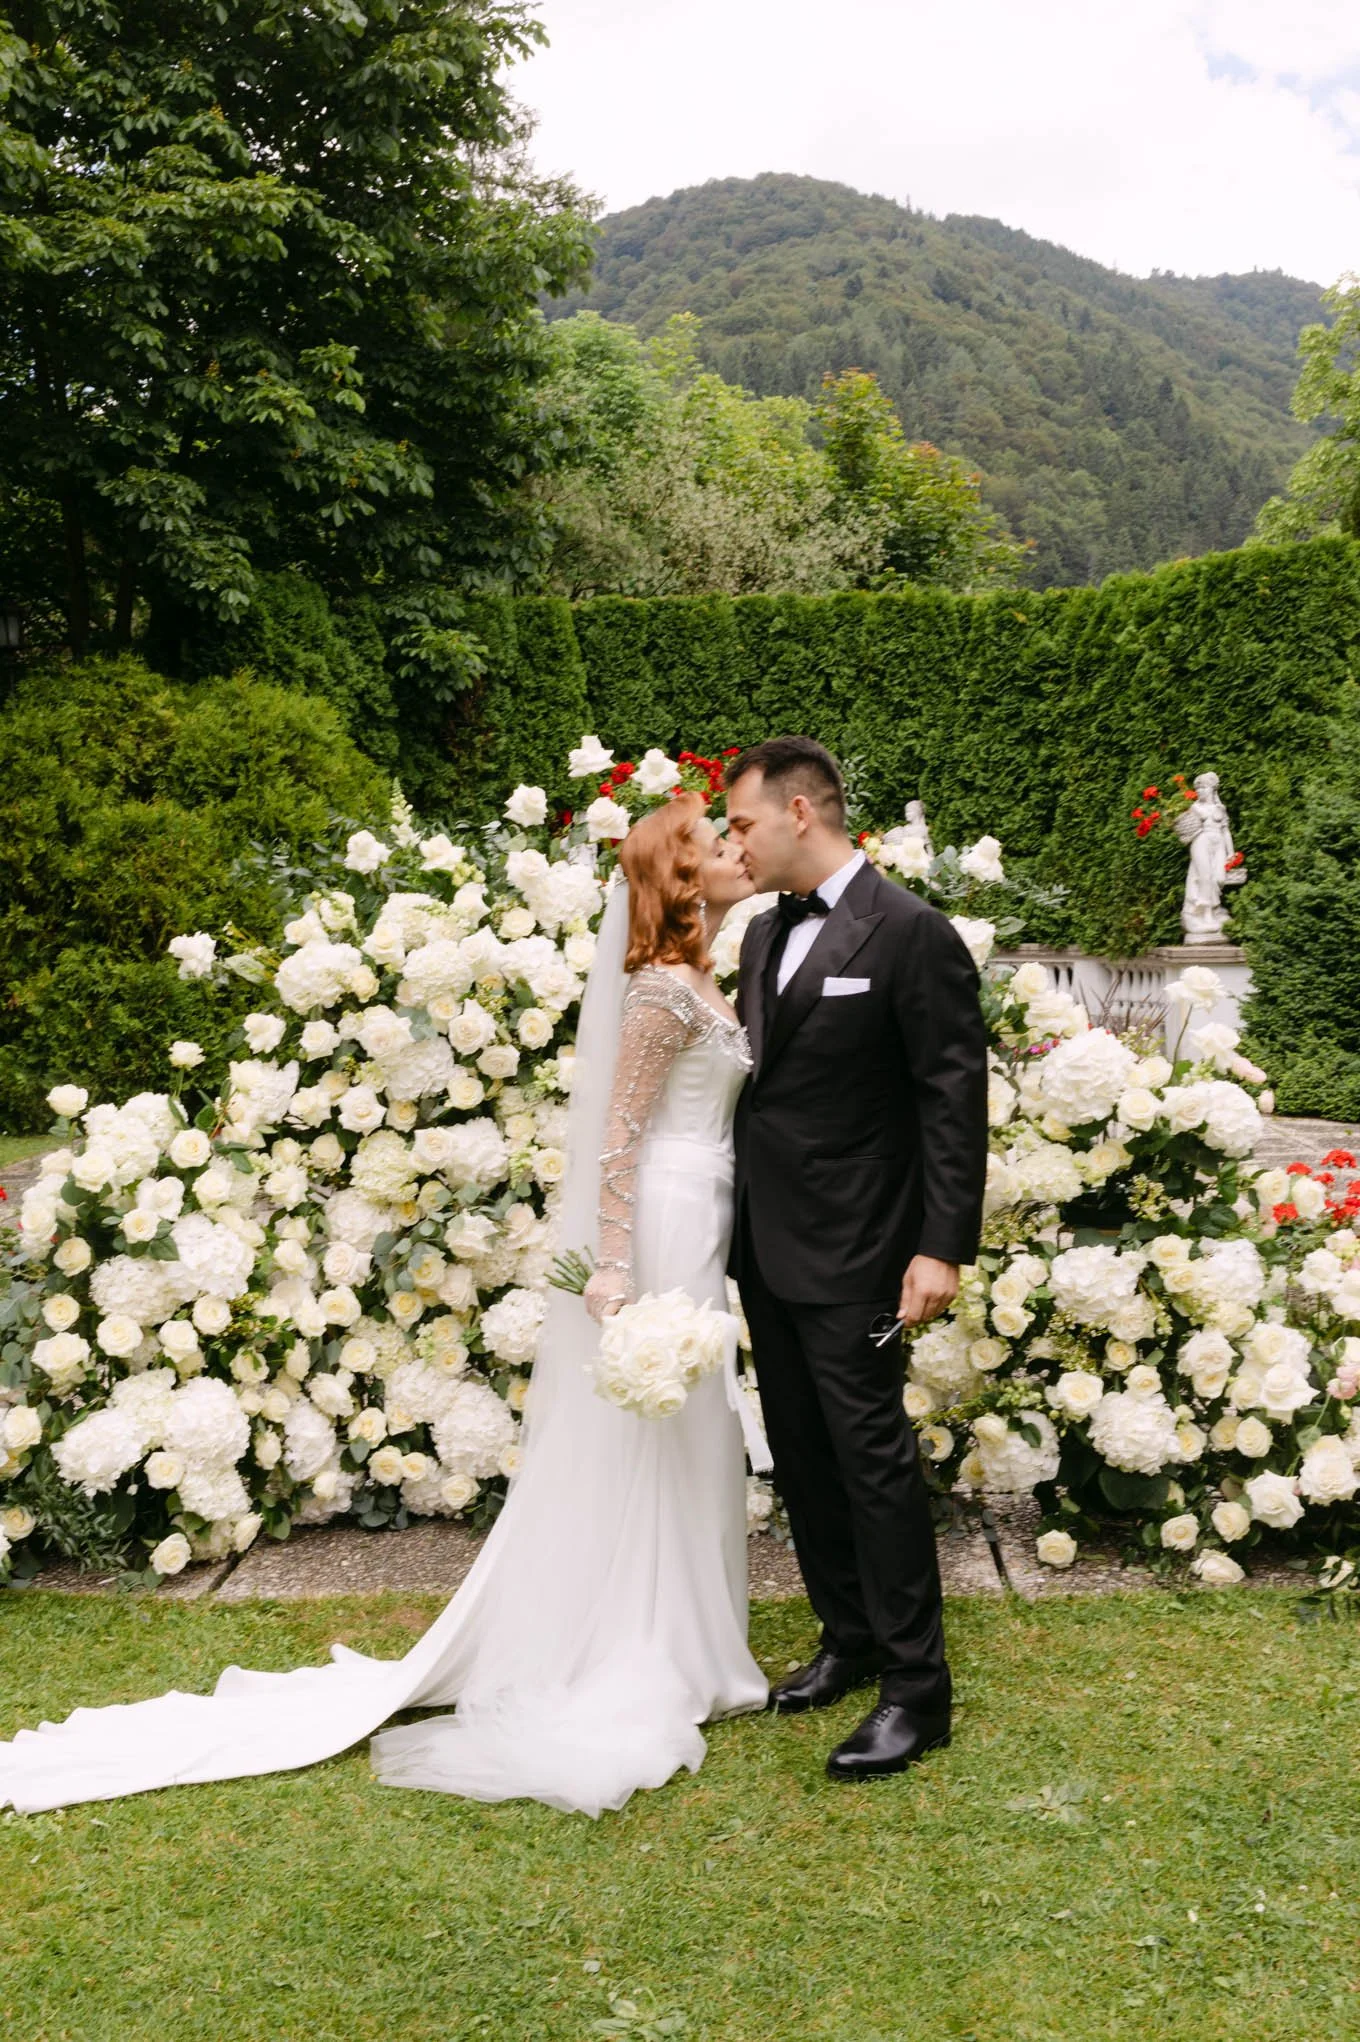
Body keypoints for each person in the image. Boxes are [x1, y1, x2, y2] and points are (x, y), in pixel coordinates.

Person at [0, 795, 767, 1818]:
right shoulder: (659, 992)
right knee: (657, 1425)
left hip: (705, 1207)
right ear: (675, 877)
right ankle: (647, 1640)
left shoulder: (705, 974)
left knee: (695, 1425)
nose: (729, 853)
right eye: (711, 846)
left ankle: (695, 1633)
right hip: (665, 1213)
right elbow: (619, 1135)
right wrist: (613, 1268)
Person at [725, 736, 989, 1782]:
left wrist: (940, 1245)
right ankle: (849, 1635)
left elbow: (950, 1099)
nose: (732, 842)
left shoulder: (911, 931)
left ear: (800, 810)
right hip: (764, 1243)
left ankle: (917, 1690)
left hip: (862, 1246)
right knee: (799, 1450)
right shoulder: (755, 934)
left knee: (871, 1460)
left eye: (741, 822)